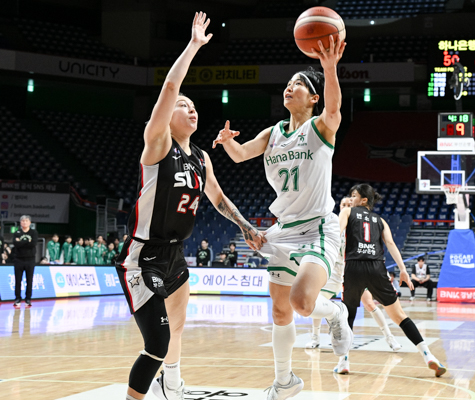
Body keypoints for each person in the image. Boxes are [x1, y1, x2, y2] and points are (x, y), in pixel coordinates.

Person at [115, 13, 264, 400]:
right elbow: (169, 86)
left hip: (175, 255)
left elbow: (218, 198)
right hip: (144, 256)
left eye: (194, 105)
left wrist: (247, 227)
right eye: (184, 105)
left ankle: (172, 384)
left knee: (178, 328)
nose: (191, 109)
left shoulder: (201, 157)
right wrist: (194, 45)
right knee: (157, 343)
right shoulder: (157, 142)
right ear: (168, 116)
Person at [213, 34, 352, 399]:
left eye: (298, 84)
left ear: (313, 98)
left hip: (317, 227)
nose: (289, 88)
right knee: (279, 311)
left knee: (302, 302)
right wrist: (227, 142)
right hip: (284, 230)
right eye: (288, 84)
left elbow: (335, 109)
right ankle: (285, 381)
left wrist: (329, 68)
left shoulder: (319, 128)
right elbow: (241, 155)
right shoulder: (273, 133)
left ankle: (335, 313)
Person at [337, 184, 446, 377]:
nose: (350, 199)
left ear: (363, 200)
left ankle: (343, 361)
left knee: (348, 316)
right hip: (376, 268)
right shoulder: (380, 220)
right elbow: (391, 244)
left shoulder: (347, 211)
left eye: (354, 196)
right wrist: (403, 270)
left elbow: (337, 234)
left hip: (353, 266)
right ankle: (428, 355)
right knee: (400, 316)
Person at [306, 197, 402, 353]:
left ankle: (390, 337)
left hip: (354, 271)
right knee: (318, 300)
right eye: (343, 204)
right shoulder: (333, 226)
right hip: (335, 273)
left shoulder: (358, 227)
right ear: (340, 207)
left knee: (369, 304)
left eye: (349, 205)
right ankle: (315, 338)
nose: (346, 206)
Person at [13, 215, 39, 308]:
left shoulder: (34, 232)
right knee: (18, 280)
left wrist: (21, 242)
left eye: (26, 221)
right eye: (23, 221)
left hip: (30, 260)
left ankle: (28, 299)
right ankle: (17, 298)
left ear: (30, 223)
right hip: (18, 259)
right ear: (20, 223)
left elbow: (33, 243)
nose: (24, 222)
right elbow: (16, 244)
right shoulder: (17, 232)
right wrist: (28, 241)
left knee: (29, 280)